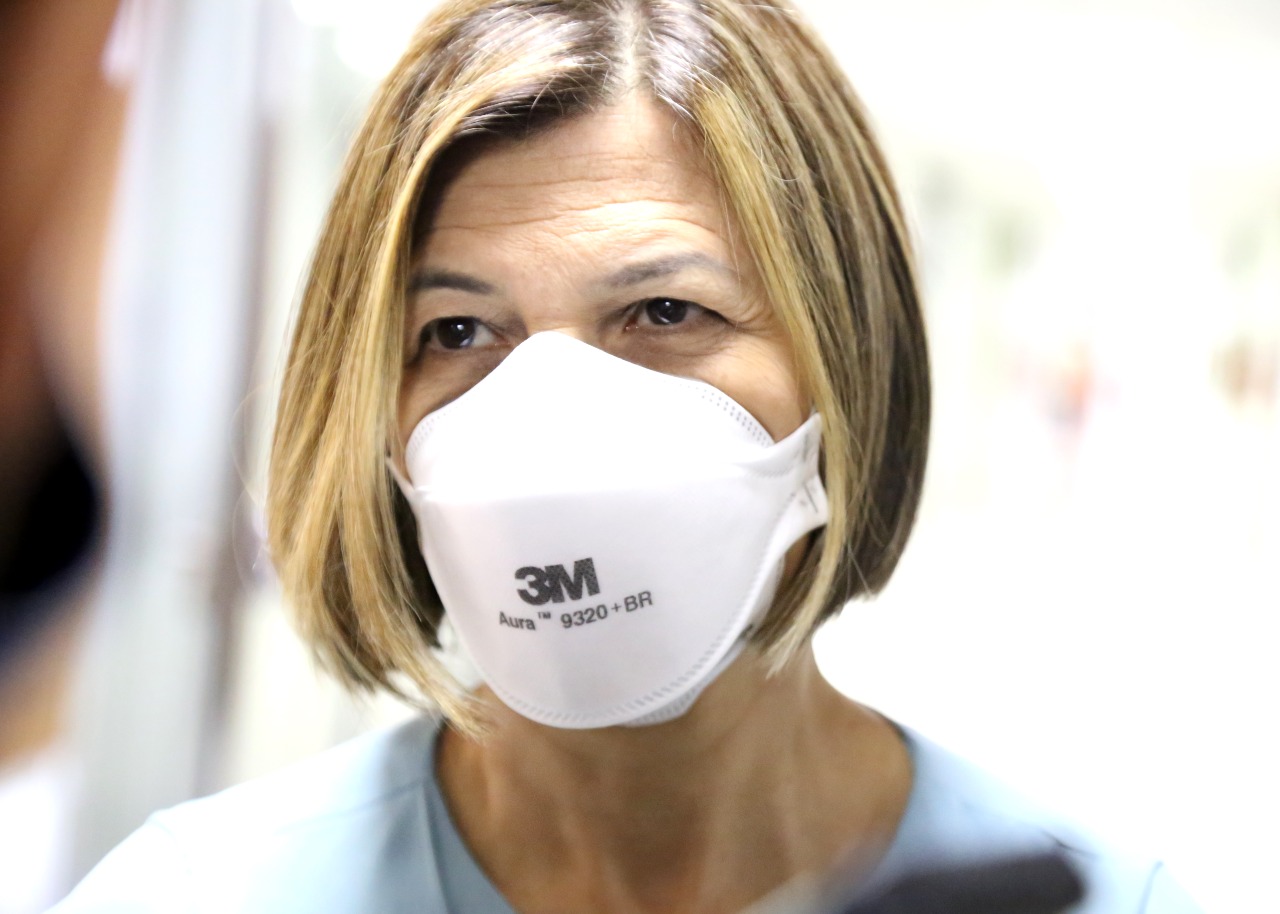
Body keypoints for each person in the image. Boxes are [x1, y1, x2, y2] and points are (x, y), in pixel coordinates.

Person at [50, 1, 1203, 912]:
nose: (547, 425)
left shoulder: (1108, 900)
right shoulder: (190, 893)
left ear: (846, 365)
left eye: (663, 310)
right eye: (458, 330)